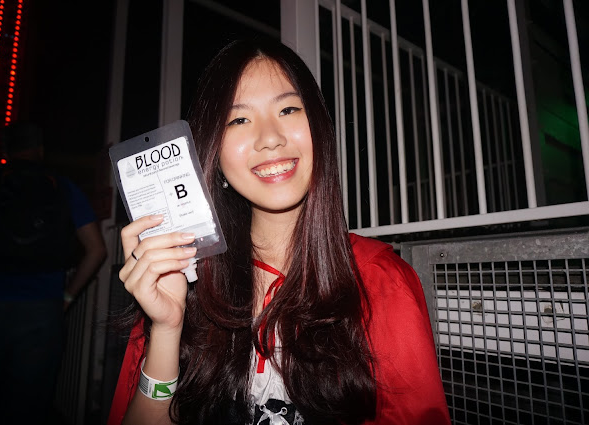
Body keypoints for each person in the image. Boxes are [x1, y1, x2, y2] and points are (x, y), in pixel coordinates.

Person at [108, 38, 450, 425]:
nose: (270, 138)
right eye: (239, 120)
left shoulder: (379, 280)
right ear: (214, 151)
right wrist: (167, 328)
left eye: (288, 109)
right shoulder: (178, 279)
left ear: (319, 128)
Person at [0, 122, 107, 424]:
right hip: (41, 313)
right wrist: (66, 297)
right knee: (28, 408)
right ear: (41, 150)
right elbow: (97, 249)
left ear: (6, 150)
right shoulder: (63, 187)